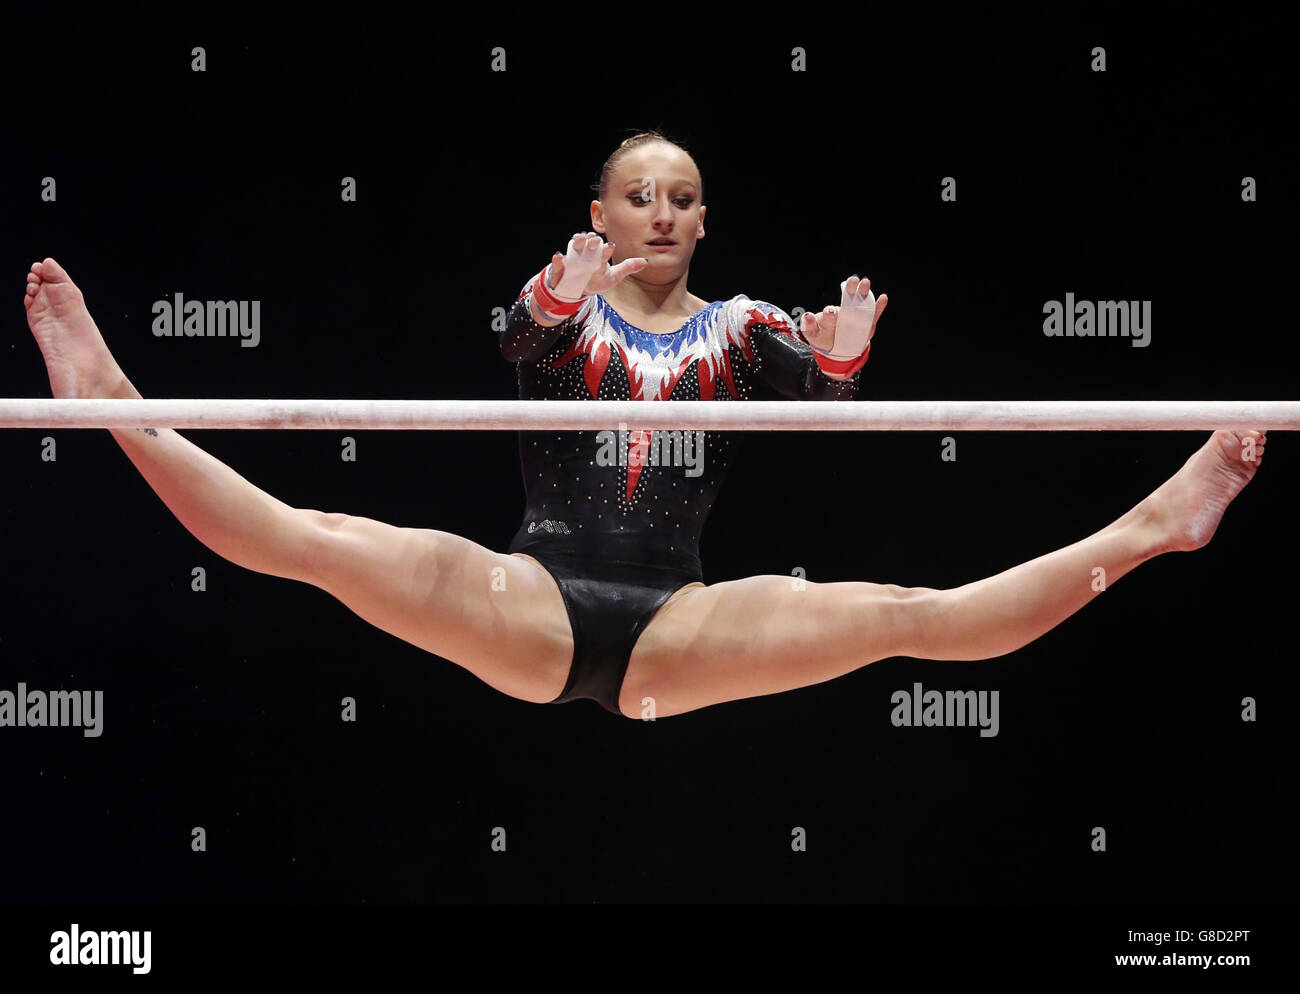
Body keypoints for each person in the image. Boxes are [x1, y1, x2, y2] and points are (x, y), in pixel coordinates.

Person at [22, 131, 1267, 722]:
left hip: (680, 618)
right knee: (324, 535)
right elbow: (519, 340)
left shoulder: (739, 328)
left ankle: (1159, 524)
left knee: (909, 617)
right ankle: (121, 409)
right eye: (637, 196)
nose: (658, 214)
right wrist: (561, 291)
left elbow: (827, 411)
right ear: (600, 211)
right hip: (535, 599)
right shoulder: (560, 300)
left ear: (705, 218)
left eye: (680, 199)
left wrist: (836, 358)